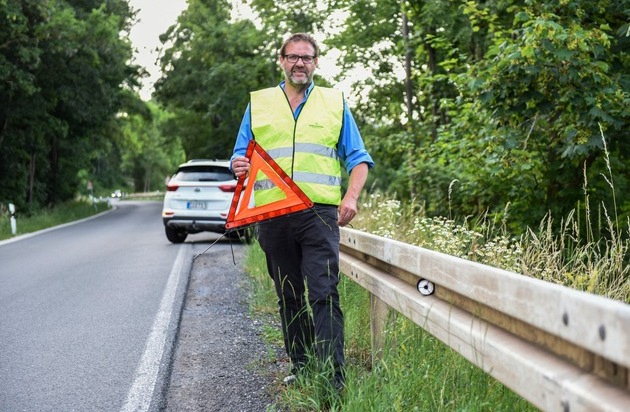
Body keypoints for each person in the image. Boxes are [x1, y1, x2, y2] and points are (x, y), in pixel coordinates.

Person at [230, 32, 374, 390]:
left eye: (306, 58)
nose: (299, 63)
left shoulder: (334, 103)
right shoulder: (259, 103)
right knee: (289, 295)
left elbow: (358, 159)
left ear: (316, 63)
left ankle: (333, 379)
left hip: (319, 216)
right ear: (281, 60)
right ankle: (303, 365)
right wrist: (237, 165)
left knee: (324, 292)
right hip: (274, 217)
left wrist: (351, 197)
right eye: (293, 57)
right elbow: (239, 153)